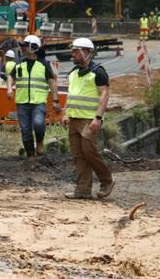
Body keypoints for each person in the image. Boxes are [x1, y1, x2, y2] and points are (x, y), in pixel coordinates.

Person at [63, 37, 113, 199]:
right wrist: (65, 113)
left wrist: (98, 118)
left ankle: (106, 181)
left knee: (89, 152)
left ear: (87, 53)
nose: (73, 54)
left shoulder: (98, 71)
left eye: (76, 51)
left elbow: (104, 95)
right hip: (74, 119)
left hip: (89, 120)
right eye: (73, 51)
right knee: (78, 155)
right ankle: (83, 189)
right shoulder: (73, 73)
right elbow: (70, 96)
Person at [7, 34, 59, 158]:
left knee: (38, 123)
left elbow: (52, 82)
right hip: (22, 101)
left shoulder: (44, 64)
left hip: (38, 101)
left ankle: (40, 142)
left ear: (34, 48)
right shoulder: (19, 63)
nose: (23, 49)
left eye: (25, 46)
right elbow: (11, 76)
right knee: (25, 130)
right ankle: (30, 157)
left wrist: (55, 100)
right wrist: (9, 88)